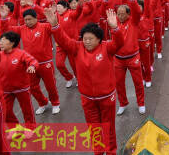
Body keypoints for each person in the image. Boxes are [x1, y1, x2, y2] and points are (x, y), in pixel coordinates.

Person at [44, 8, 123, 155]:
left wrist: (115, 28)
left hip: (106, 98)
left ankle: (111, 151)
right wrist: (55, 26)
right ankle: (98, 151)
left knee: (109, 128)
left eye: (90, 39)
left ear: (99, 39)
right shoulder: (77, 47)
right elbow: (63, 40)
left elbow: (119, 42)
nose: (86, 41)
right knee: (94, 128)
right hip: (88, 99)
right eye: (84, 38)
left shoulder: (107, 47)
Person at [0, 7, 60, 115]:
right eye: (26, 20)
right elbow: (6, 31)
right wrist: (3, 18)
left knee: (50, 86)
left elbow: (57, 29)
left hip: (45, 63)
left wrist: (53, 18)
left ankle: (55, 103)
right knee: (33, 87)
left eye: (30, 19)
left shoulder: (45, 26)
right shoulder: (22, 29)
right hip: (29, 64)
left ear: (36, 18)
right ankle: (43, 103)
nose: (28, 22)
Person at [0, 31, 38, 132]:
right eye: (0, 40)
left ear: (12, 43)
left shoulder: (21, 53)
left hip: (22, 88)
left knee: (27, 111)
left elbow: (33, 61)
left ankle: (31, 129)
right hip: (6, 90)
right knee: (5, 111)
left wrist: (32, 66)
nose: (1, 43)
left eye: (4, 40)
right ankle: (16, 129)